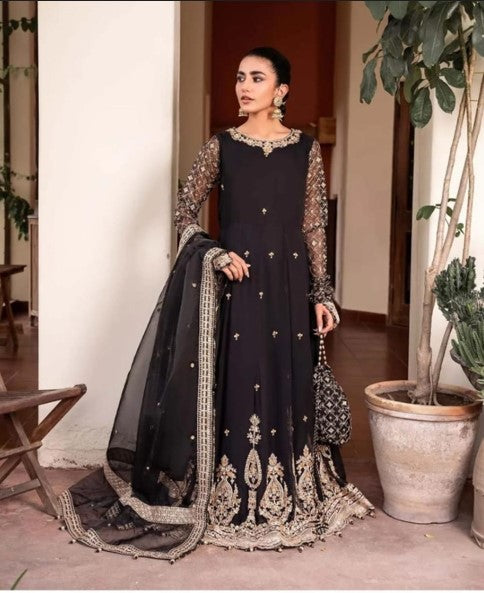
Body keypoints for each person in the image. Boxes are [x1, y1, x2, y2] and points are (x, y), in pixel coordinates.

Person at [57, 46, 375, 563]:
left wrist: (322, 293)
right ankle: (227, 493)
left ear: (282, 90)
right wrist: (216, 252)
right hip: (241, 281)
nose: (243, 86)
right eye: (239, 76)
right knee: (241, 379)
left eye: (256, 77)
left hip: (290, 282)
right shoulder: (221, 147)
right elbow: (184, 211)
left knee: (285, 375)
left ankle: (290, 490)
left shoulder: (306, 151)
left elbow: (313, 224)